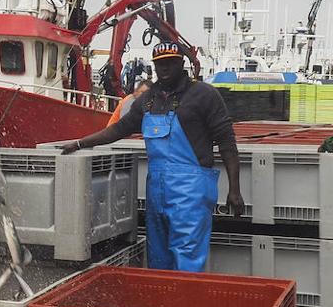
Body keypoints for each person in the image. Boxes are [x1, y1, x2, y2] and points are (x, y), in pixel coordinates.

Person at [63, 41, 244, 271]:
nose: (165, 69)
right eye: (160, 64)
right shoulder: (148, 99)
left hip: (191, 193)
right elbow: (119, 129)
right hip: (156, 193)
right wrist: (80, 143)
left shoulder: (204, 95)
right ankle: (164, 306)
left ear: (182, 63)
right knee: (158, 260)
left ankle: (184, 306)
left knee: (187, 259)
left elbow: (227, 142)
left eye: (170, 63)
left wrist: (234, 189)